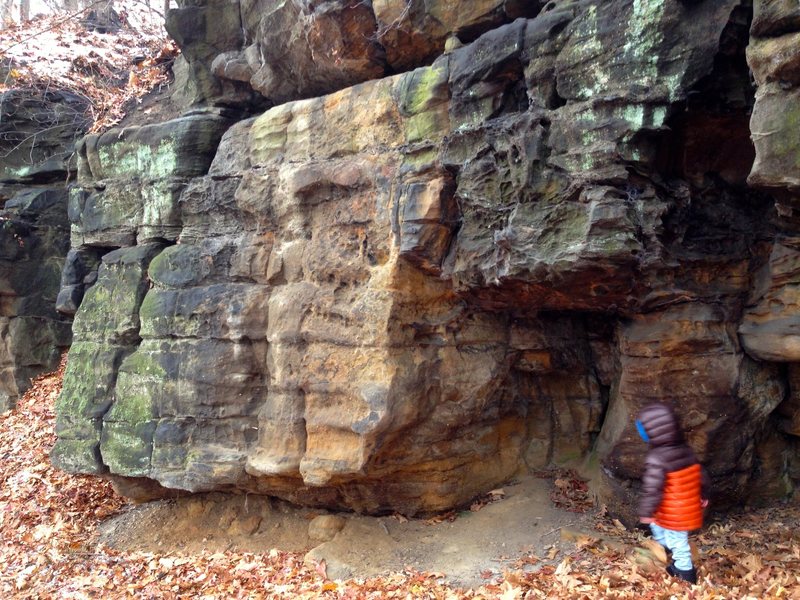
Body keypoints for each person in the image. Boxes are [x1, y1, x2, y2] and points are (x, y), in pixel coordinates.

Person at [635, 402, 710, 584]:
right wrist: (704, 494)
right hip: (684, 508)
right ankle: (665, 547)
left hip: (674, 513)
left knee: (678, 542)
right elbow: (702, 476)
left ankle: (686, 573)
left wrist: (646, 513)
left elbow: (652, 490)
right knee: (661, 529)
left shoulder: (656, 459)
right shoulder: (687, 451)